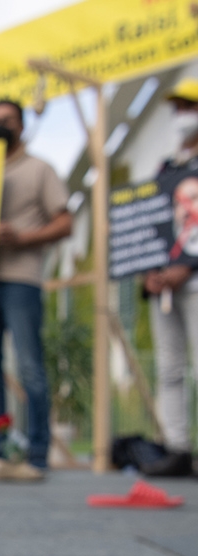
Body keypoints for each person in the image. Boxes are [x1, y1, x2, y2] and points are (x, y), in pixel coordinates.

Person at [0, 99, 73, 481]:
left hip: (21, 278)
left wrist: (22, 237)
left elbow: (64, 223)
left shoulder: (40, 169)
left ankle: (38, 451)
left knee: (29, 366)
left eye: (8, 121)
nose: (1, 127)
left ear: (22, 126)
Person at [141, 77, 198, 477]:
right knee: (169, 367)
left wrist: (188, 267)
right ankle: (177, 446)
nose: (181, 116)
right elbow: (150, 227)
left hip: (194, 281)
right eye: (177, 108)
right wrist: (148, 270)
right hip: (164, 286)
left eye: (188, 107)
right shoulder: (165, 170)